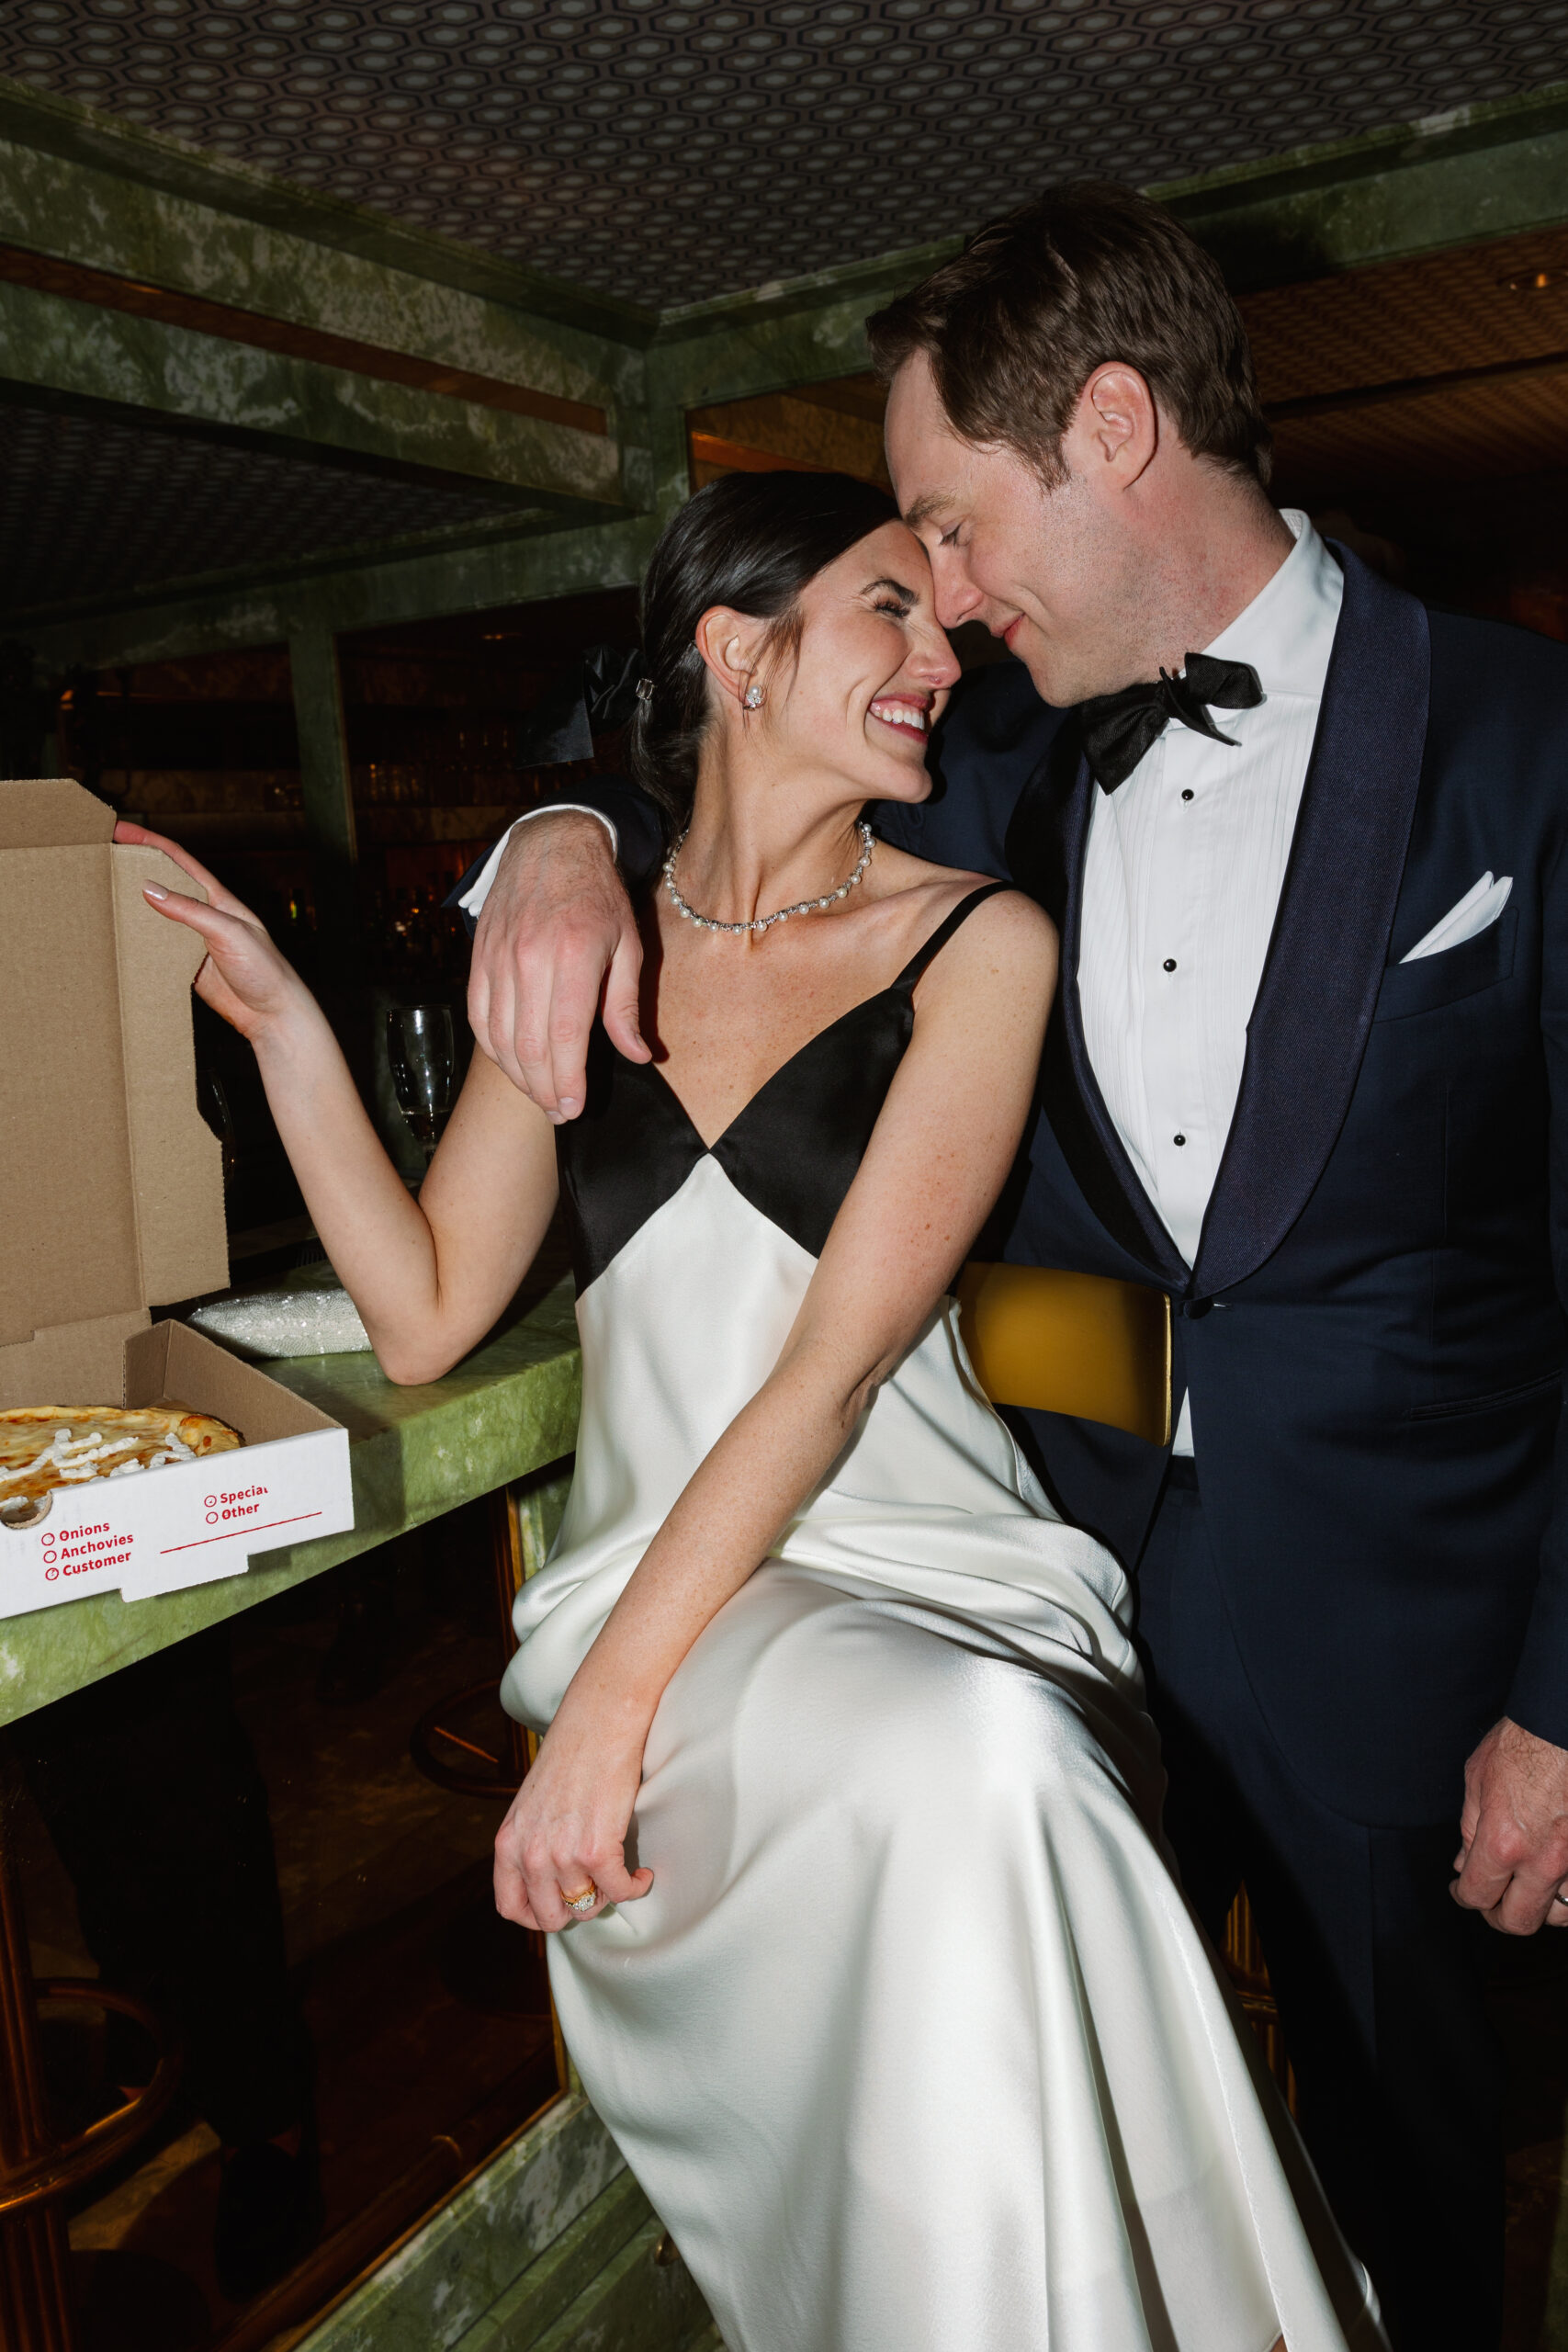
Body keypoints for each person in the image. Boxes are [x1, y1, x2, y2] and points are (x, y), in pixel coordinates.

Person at [457, 183, 1568, 2352]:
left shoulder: (1526, 742)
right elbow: (680, 725)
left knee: (1405, 2181)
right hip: (1026, 1575)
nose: (937, 604)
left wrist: (1560, 1694)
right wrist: (548, 849)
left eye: (949, 524)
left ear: (1118, 429)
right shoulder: (959, 741)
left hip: (1396, 1635)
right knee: (1072, 2155)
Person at [130, 471, 1381, 2352]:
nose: (939, 652)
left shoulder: (979, 943)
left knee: (989, 1749)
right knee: (980, 1772)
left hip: (914, 1556)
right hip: (662, 1584)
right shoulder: (586, 944)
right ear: (739, 650)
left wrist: (601, 1724)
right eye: (888, 607)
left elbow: (832, 1361)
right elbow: (421, 1310)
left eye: (935, 617)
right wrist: (290, 1027)